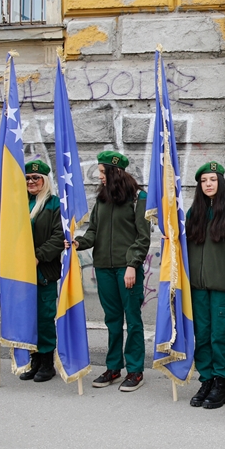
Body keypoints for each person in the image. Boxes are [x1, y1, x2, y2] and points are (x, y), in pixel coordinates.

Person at [74, 151, 152, 392]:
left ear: (115, 171)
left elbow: (142, 237)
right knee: (113, 320)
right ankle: (114, 367)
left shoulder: (139, 198)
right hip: (104, 268)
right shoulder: (102, 198)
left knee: (133, 319)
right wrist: (78, 243)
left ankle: (136, 370)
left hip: (127, 269)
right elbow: (93, 231)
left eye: (101, 171)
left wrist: (132, 265)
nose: (99, 176)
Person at [185, 161, 225, 410]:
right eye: (204, 180)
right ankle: (205, 380)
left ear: (221, 183)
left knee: (219, 336)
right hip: (197, 288)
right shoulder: (192, 214)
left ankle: (221, 384)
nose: (208, 184)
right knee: (203, 336)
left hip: (222, 287)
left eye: (213, 180)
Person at [20, 160, 64, 383]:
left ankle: (47, 362)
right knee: (27, 317)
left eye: (36, 178)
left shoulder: (54, 204)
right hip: (21, 272)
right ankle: (33, 359)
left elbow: (59, 237)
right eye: (28, 178)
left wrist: (38, 256)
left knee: (44, 317)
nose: (31, 182)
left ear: (45, 181)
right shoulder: (20, 203)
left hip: (43, 270)